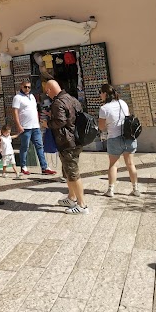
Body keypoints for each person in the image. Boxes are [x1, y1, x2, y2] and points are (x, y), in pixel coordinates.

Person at [46, 79, 89, 214]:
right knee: (67, 171)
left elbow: (60, 121)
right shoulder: (72, 99)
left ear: (49, 90)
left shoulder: (57, 102)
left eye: (47, 91)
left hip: (67, 142)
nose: (47, 94)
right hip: (76, 139)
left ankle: (82, 205)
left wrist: (47, 124)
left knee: (73, 172)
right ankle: (71, 197)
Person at [98, 83, 140, 197]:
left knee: (113, 165)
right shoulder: (123, 103)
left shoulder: (104, 108)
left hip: (114, 138)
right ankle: (135, 189)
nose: (100, 95)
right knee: (130, 164)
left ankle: (111, 190)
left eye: (101, 93)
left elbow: (101, 127)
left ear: (105, 94)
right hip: (128, 137)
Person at [12, 81, 56, 176]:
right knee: (25, 147)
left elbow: (35, 110)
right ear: (21, 87)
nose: (27, 89)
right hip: (25, 127)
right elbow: (15, 112)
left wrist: (38, 121)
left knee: (40, 146)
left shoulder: (32, 97)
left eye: (29, 87)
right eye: (25, 87)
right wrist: (18, 125)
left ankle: (44, 167)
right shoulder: (17, 98)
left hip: (35, 126)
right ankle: (23, 166)